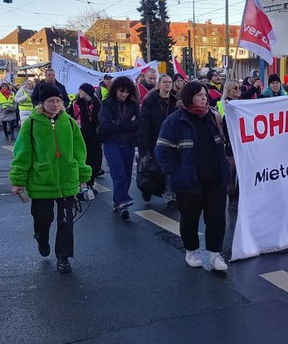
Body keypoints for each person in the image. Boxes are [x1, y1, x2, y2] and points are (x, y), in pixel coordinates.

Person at [9, 84, 91, 274]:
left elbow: (79, 151)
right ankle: (41, 238)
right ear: (42, 103)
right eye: (50, 101)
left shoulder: (69, 122)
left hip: (67, 181)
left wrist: (82, 175)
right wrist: (18, 180)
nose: (55, 105)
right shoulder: (31, 124)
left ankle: (63, 257)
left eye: (58, 101)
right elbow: (22, 153)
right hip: (42, 181)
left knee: (66, 223)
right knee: (42, 219)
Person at [155, 82, 231, 272]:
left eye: (205, 94)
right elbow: (162, 151)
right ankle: (191, 251)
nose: (204, 98)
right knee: (190, 219)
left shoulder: (215, 117)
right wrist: (176, 173)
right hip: (189, 181)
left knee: (216, 218)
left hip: (215, 178)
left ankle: (215, 255)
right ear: (189, 97)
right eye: (199, 95)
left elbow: (228, 141)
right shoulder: (175, 121)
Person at [98, 76, 140, 219]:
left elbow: (138, 124)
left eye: (127, 92)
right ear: (116, 89)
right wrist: (127, 123)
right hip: (111, 143)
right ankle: (123, 202)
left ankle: (118, 200)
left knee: (127, 175)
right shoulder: (107, 103)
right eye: (122, 91)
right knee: (119, 174)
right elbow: (106, 124)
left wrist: (119, 123)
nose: (124, 95)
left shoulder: (133, 105)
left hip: (128, 143)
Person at [138, 74, 177, 202]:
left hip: (171, 141)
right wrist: (144, 145)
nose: (168, 84)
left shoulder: (175, 101)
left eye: (170, 82)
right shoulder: (150, 101)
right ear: (159, 84)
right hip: (154, 140)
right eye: (165, 82)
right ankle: (147, 188)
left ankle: (169, 195)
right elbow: (144, 124)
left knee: (169, 168)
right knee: (154, 170)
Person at [69, 83, 102, 188]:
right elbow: (69, 117)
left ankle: (91, 182)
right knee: (82, 159)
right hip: (80, 136)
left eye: (81, 90)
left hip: (94, 137)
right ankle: (82, 182)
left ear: (87, 92)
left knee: (94, 160)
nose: (79, 92)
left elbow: (100, 120)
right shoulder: (75, 104)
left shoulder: (97, 104)